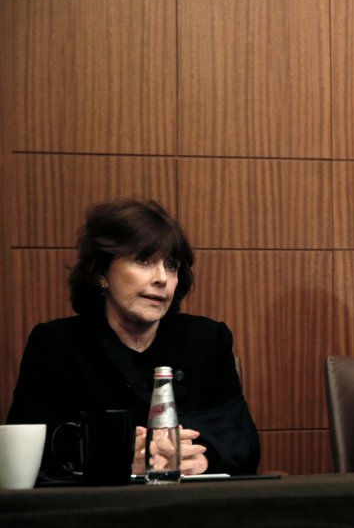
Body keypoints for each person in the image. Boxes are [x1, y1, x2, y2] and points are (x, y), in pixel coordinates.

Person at [6, 199, 260, 476]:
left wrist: (202, 460)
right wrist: (124, 459)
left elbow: (242, 442)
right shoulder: (56, 344)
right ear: (102, 273)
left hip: (192, 506)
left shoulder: (208, 339)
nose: (162, 278)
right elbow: (31, 456)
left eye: (171, 265)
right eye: (143, 260)